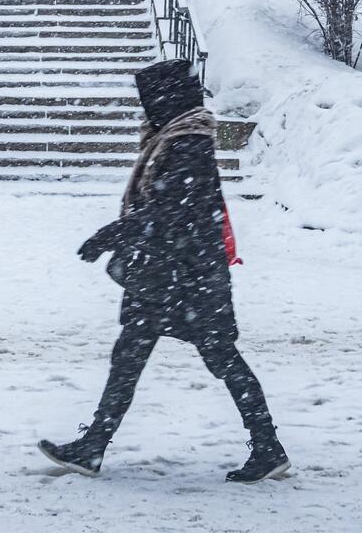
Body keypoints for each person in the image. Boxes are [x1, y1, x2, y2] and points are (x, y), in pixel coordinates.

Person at [37, 59, 290, 483]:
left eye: (149, 100)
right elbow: (167, 213)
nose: (145, 109)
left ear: (166, 99)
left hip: (186, 278)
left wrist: (112, 234)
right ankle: (94, 445)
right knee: (132, 357)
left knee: (220, 358)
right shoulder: (174, 138)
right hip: (168, 275)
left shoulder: (187, 142)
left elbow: (172, 212)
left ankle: (267, 447)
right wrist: (122, 235)